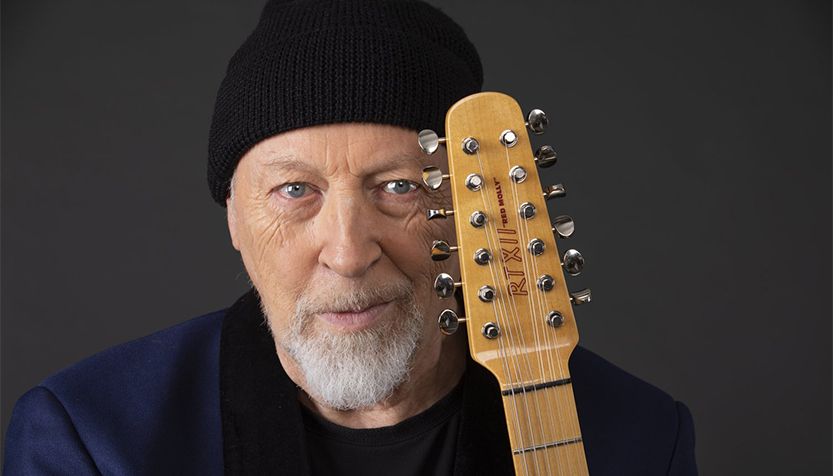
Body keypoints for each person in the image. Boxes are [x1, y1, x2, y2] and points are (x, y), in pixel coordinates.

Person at [4, 1, 698, 475]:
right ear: (234, 220)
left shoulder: (636, 437)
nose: (347, 251)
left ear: (472, 208)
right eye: (294, 191)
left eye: (399, 186)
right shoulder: (94, 441)